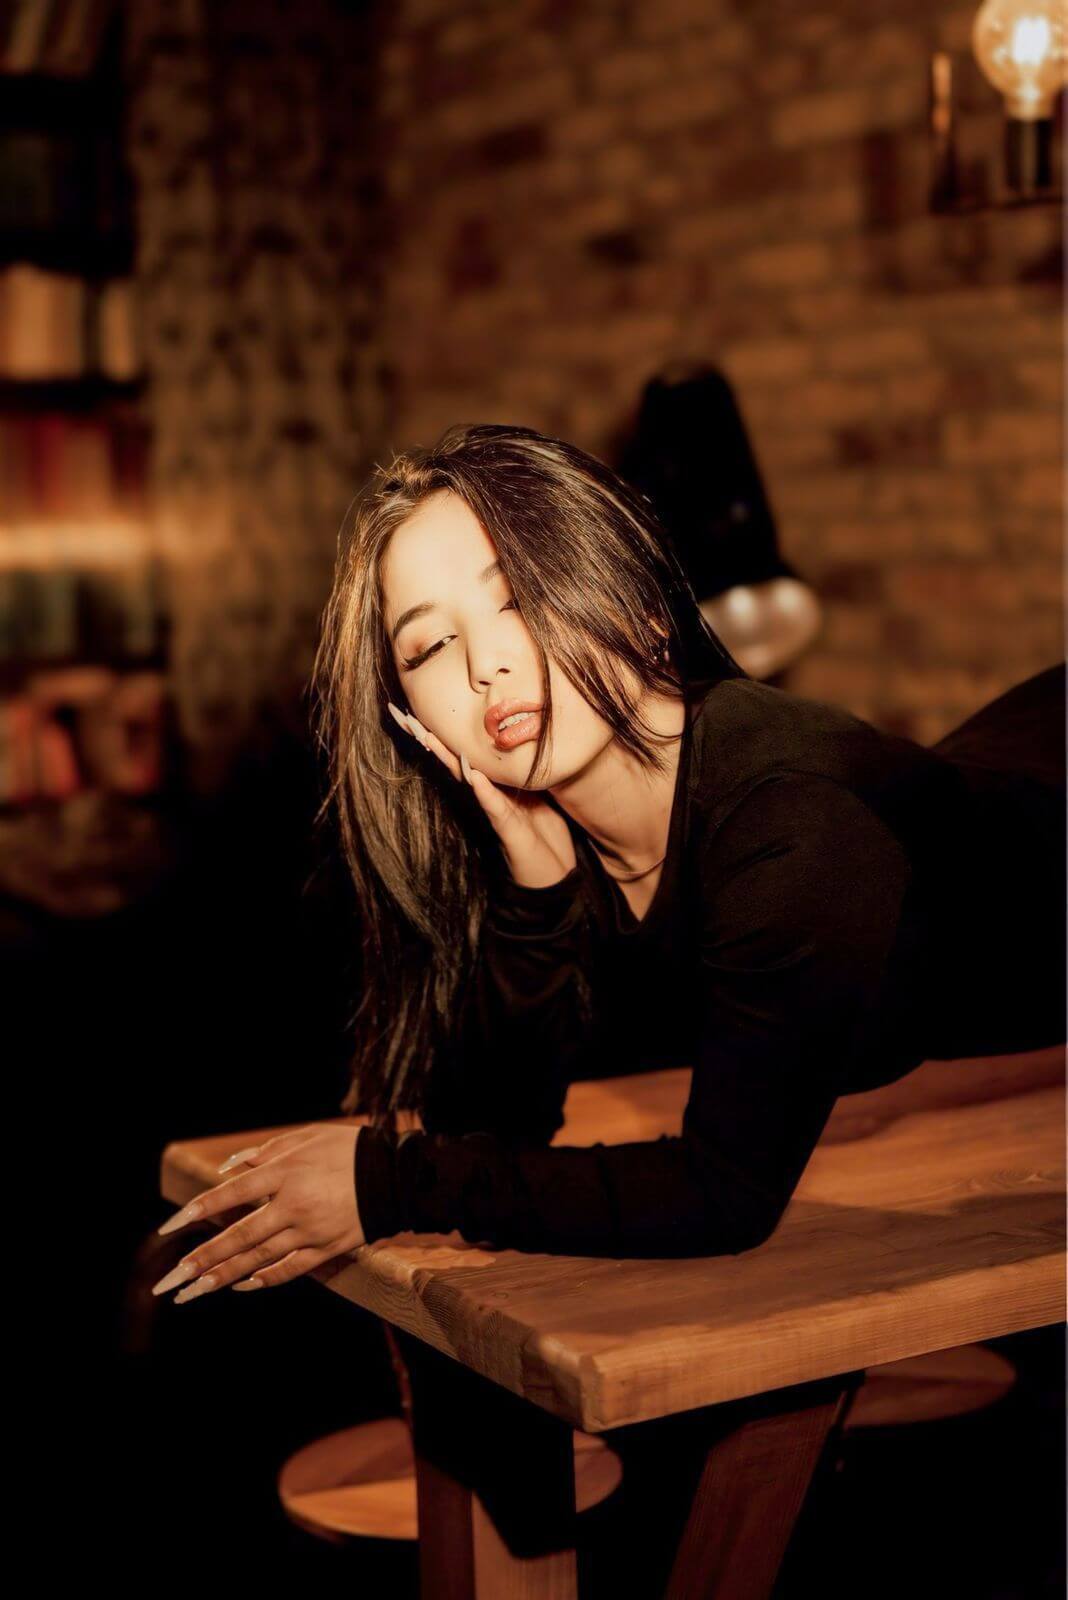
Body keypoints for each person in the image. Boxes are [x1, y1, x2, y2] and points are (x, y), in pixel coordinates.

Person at [151, 424, 1065, 1301]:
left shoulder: (791, 819)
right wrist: (536, 897)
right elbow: (490, 1133)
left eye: (518, 596)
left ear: (641, 608)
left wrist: (389, 1184)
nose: (483, 665)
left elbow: (724, 1195)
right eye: (429, 645)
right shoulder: (556, 837)